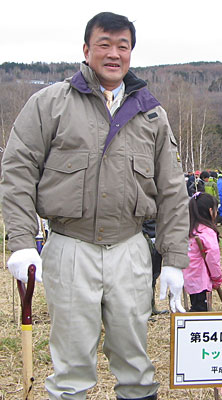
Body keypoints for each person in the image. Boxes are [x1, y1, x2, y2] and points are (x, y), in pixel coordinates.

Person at [1, 12, 189, 400]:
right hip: (70, 246)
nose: (114, 54)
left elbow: (172, 191)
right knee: (70, 366)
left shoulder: (152, 114)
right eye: (104, 44)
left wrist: (173, 260)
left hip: (130, 249)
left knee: (136, 364)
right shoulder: (49, 103)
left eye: (123, 46)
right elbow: (17, 170)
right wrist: (21, 240)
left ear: (132, 54)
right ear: (86, 50)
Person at [183, 192, 222, 312]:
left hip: (188, 278)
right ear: (211, 211)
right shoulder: (207, 232)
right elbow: (212, 257)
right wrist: (217, 278)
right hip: (201, 280)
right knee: (201, 310)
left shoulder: (190, 231)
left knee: (195, 305)